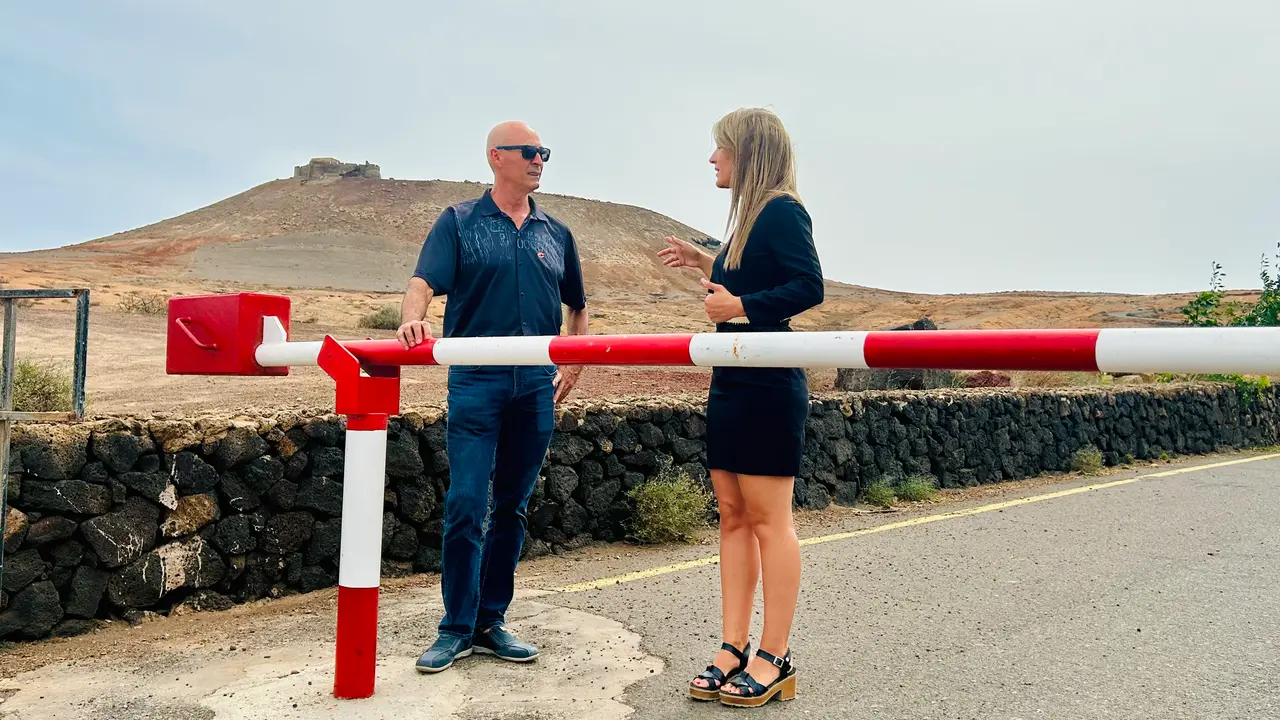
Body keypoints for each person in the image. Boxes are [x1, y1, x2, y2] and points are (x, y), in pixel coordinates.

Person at [400, 121, 590, 674]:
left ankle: (490, 622)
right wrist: (413, 321)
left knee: (513, 506)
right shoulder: (459, 222)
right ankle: (454, 628)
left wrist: (573, 362)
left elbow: (577, 305)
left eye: (544, 153)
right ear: (495, 158)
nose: (539, 161)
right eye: (530, 153)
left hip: (535, 386)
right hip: (476, 381)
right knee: (464, 505)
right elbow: (421, 283)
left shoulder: (556, 233)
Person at [658, 107, 823, 708]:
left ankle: (774, 655)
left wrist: (741, 306)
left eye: (719, 148)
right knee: (731, 513)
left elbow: (809, 285)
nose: (712, 159)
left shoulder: (781, 210)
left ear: (746, 152)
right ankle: (733, 646)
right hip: (732, 376)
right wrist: (708, 265)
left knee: (768, 520)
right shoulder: (749, 219)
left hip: (769, 382)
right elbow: (754, 278)